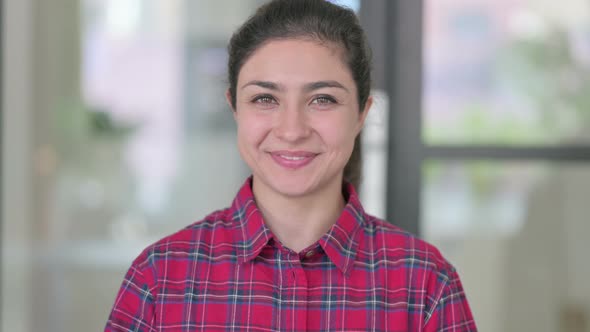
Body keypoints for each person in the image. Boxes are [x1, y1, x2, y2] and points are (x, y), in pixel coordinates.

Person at [105, 0, 477, 331]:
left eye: (323, 99)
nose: (292, 130)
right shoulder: (159, 279)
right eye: (265, 98)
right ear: (235, 107)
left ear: (362, 113)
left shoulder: (426, 285)